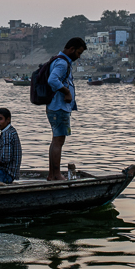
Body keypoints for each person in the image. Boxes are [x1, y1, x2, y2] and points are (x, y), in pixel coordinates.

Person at [47, 37, 86, 181]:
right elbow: (52, 80)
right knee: (58, 141)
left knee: (56, 141)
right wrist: (67, 92)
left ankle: (52, 174)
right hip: (59, 108)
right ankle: (56, 175)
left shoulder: (59, 61)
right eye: (78, 53)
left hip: (56, 107)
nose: (79, 56)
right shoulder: (62, 63)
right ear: (71, 49)